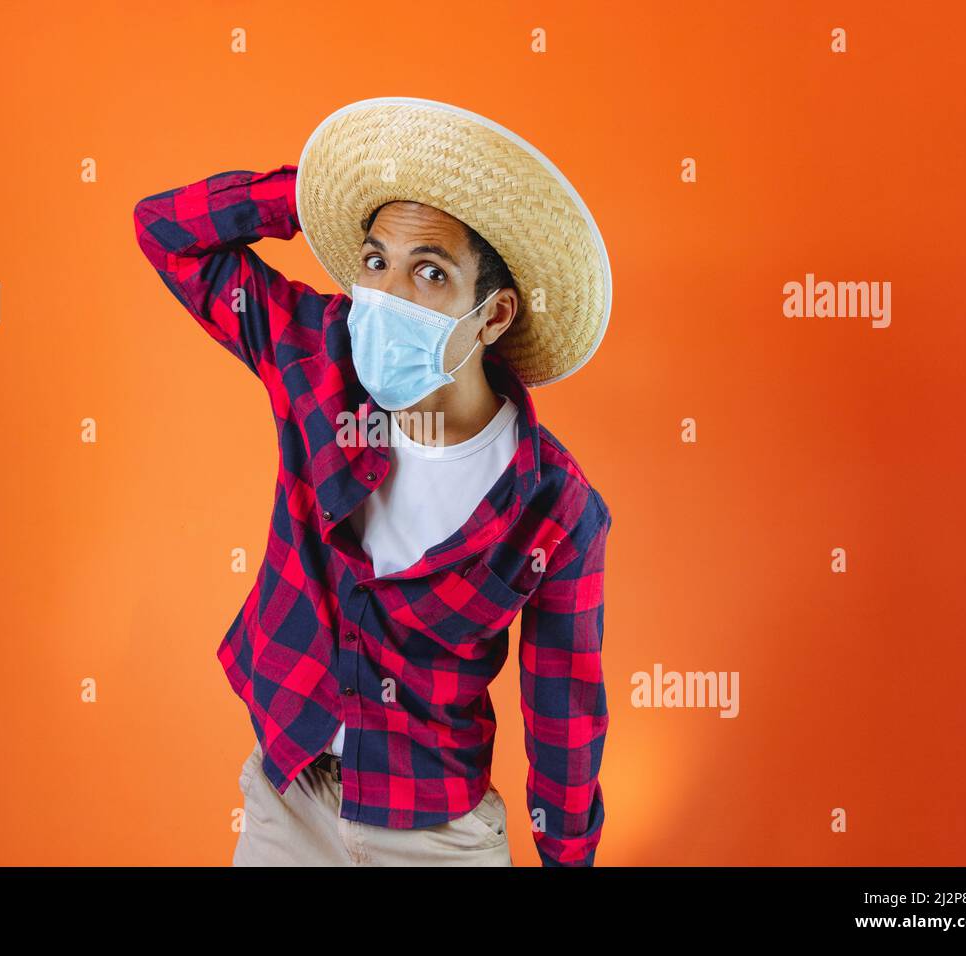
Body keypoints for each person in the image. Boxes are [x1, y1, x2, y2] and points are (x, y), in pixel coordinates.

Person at [133, 97, 614, 866]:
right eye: (374, 260)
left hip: (434, 833)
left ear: (493, 317)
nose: (387, 295)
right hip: (286, 802)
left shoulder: (555, 508)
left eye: (429, 272)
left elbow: (563, 713)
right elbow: (165, 231)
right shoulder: (317, 359)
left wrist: (570, 860)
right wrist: (307, 192)